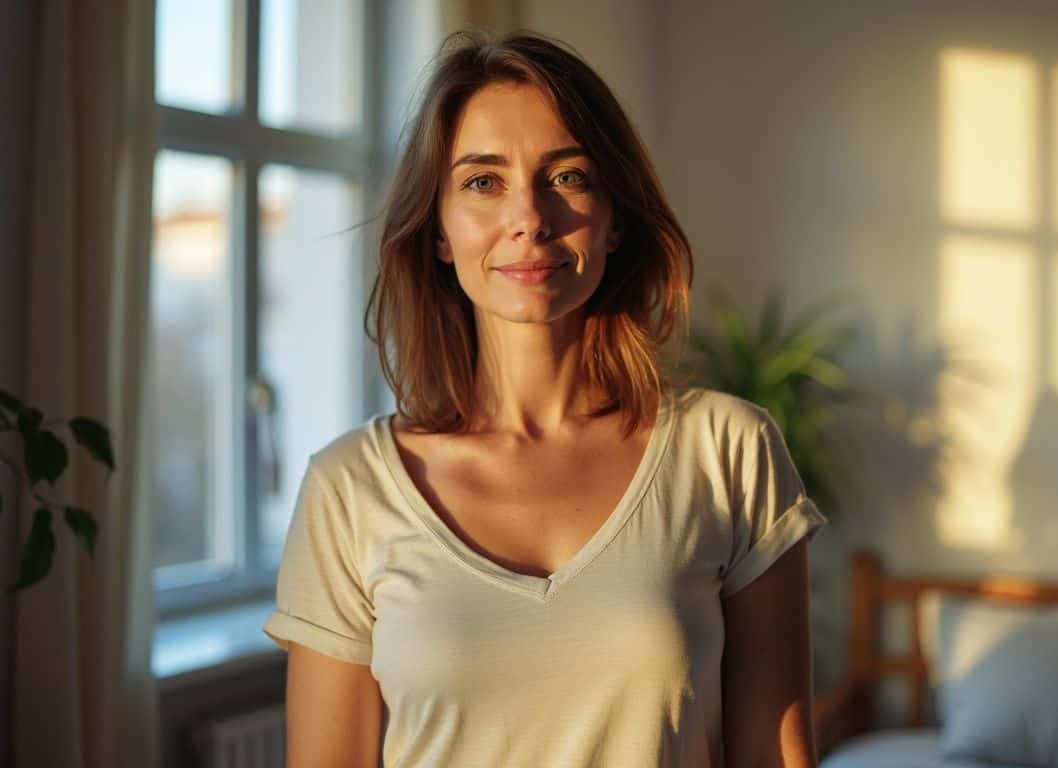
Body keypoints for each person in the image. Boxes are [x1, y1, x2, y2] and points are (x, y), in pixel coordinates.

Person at [262, 28, 829, 768]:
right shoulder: (349, 488)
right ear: (437, 229)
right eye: (483, 182)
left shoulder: (727, 451)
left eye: (567, 177)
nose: (529, 217)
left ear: (617, 218)